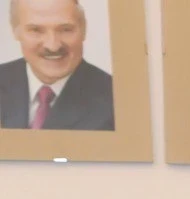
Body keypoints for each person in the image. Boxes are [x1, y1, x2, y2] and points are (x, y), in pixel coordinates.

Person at [0, 0, 113, 130]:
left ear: (83, 29)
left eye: (65, 29)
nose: (53, 46)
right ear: (15, 31)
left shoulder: (116, 99)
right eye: (36, 30)